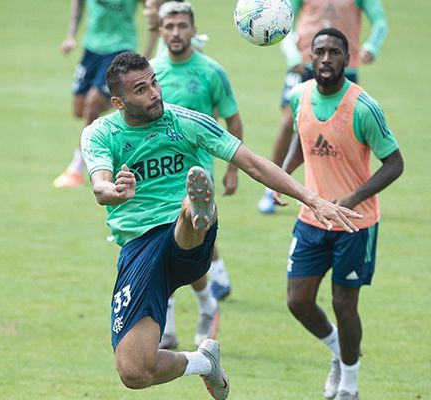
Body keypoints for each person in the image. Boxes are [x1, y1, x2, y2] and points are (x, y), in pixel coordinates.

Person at [80, 51, 361, 397]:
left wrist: (313, 199)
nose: (154, 92)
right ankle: (204, 363)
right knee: (135, 371)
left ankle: (197, 208)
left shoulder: (186, 121)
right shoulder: (101, 132)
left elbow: (253, 163)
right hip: (139, 249)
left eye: (154, 82)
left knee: (188, 209)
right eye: (141, 89)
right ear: (118, 102)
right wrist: (115, 190)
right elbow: (99, 185)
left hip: (189, 239)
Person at [274, 28, 403, 400]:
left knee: (344, 303)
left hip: (355, 224)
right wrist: (282, 178)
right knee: (297, 301)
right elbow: (303, 137)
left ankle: (349, 384)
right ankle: (339, 350)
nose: (326, 59)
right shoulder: (300, 96)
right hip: (312, 219)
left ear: (348, 59)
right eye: (320, 52)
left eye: (334, 52)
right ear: (309, 58)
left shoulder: (364, 107)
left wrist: (352, 198)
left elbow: (394, 163)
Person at [150, 1, 242, 350]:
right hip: (158, 172)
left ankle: (205, 304)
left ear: (193, 29)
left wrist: (233, 170)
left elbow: (233, 120)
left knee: (187, 248)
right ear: (161, 31)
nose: (176, 33)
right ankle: (169, 324)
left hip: (197, 173)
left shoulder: (211, 72)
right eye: (169, 26)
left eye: (181, 26)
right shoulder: (151, 73)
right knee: (160, 245)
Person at [257, 0, 389, 213]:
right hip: (303, 64)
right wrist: (292, 54)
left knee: (342, 130)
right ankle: (271, 187)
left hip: (344, 66)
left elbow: (380, 22)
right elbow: (282, 20)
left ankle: (331, 190)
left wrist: (372, 45)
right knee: (289, 123)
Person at [54, 0, 143, 188]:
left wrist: (148, 53)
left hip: (120, 48)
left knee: (91, 107)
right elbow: (78, 4)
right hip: (92, 48)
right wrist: (71, 36)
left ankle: (77, 168)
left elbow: (154, 10)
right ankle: (125, 101)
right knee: (79, 109)